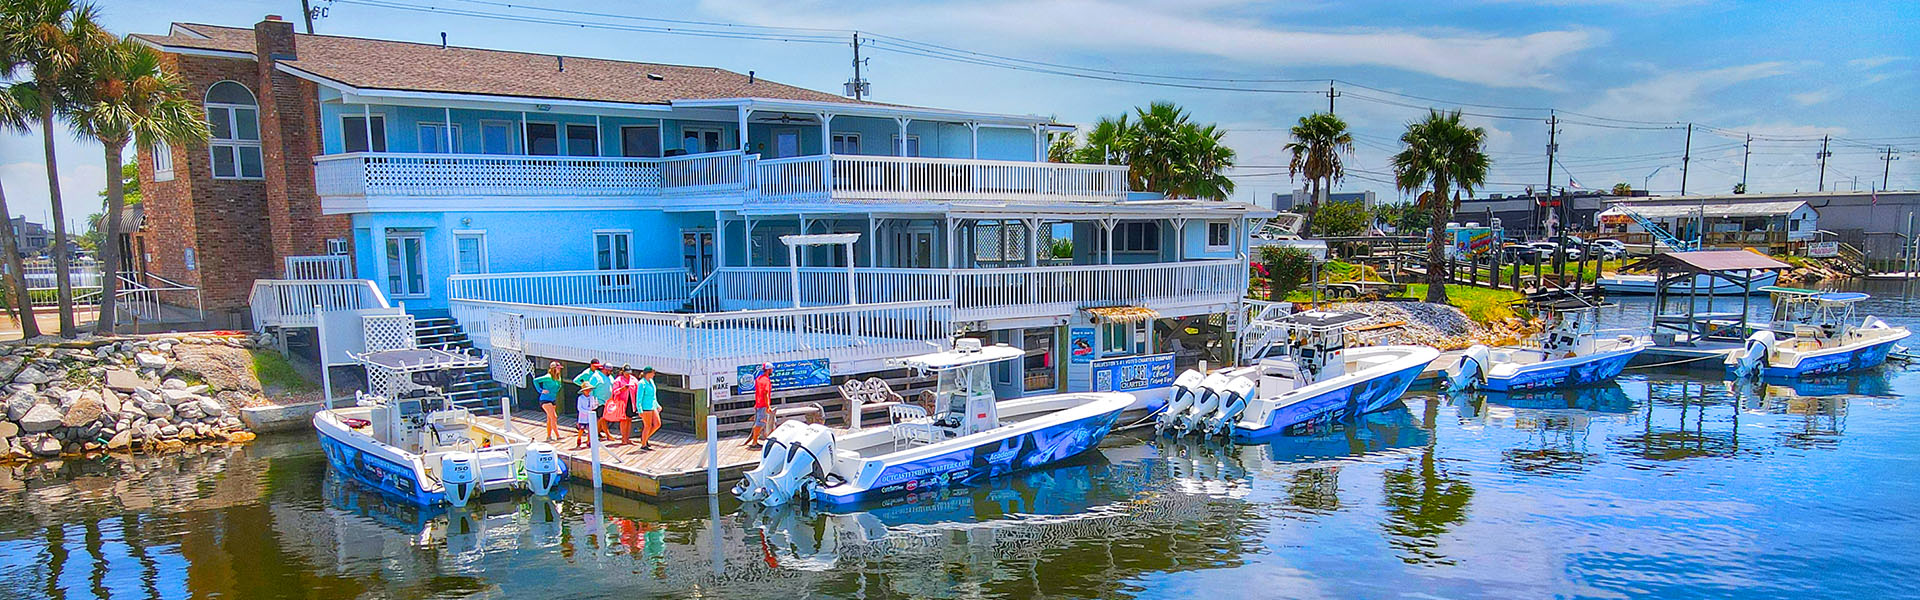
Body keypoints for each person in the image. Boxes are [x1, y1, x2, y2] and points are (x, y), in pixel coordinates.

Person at [573, 359, 614, 441]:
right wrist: (591, 402)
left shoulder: (610, 377)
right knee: (600, 419)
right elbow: (590, 389)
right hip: (598, 402)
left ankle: (602, 435)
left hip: (608, 402)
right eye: (608, 370)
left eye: (611, 370)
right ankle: (592, 437)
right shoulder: (595, 376)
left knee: (603, 419)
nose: (610, 372)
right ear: (603, 369)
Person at [532, 362, 565, 441]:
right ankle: (558, 436)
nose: (559, 370)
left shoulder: (558, 377)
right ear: (553, 369)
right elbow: (535, 380)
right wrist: (540, 390)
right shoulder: (548, 377)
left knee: (550, 418)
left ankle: (549, 436)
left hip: (552, 399)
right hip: (545, 399)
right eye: (558, 368)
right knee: (554, 417)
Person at [744, 363, 774, 449]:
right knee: (760, 424)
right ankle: (754, 442)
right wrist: (768, 406)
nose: (772, 371)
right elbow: (766, 394)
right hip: (762, 405)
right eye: (771, 369)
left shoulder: (759, 379)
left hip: (758, 404)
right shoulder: (766, 380)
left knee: (760, 423)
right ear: (768, 370)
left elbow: (758, 392)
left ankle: (755, 441)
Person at [608, 366, 637, 446]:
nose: (628, 375)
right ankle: (623, 438)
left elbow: (637, 390)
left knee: (629, 419)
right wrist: (622, 389)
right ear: (623, 372)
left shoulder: (633, 379)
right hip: (622, 402)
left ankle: (627, 438)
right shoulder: (618, 380)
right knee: (623, 420)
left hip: (631, 401)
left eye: (629, 373)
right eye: (627, 373)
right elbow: (614, 392)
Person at [636, 366, 661, 450]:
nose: (654, 374)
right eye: (653, 373)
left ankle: (645, 438)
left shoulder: (651, 381)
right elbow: (639, 397)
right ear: (648, 373)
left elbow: (653, 395)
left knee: (657, 424)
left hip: (652, 405)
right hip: (645, 407)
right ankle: (643, 444)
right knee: (647, 426)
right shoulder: (641, 383)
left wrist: (657, 405)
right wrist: (639, 409)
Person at [572, 383, 600, 450]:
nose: (588, 391)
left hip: (590, 417)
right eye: (586, 390)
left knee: (590, 429)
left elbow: (593, 406)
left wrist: (595, 405)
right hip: (583, 417)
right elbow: (579, 408)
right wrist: (587, 412)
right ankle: (579, 438)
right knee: (581, 429)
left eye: (589, 390)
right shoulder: (580, 398)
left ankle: (589, 441)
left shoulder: (592, 397)